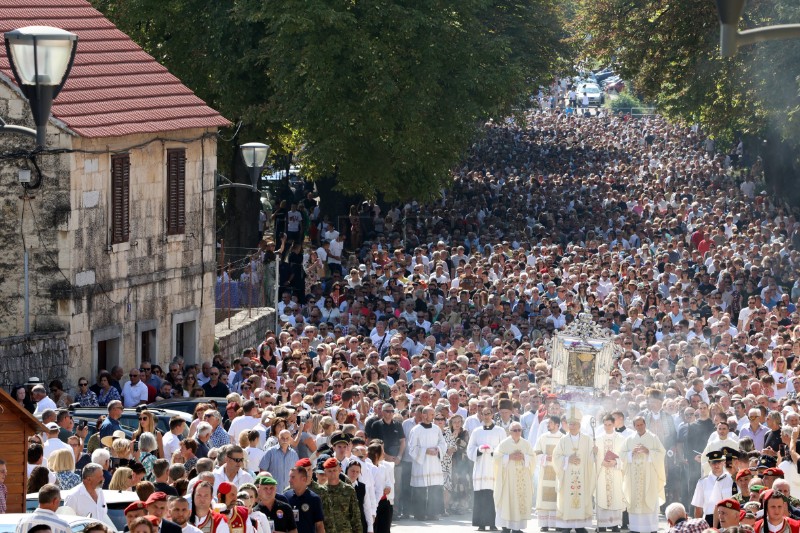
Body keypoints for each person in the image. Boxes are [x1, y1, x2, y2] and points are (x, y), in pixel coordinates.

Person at [552, 406, 595, 533]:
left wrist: (595, 453)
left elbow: (592, 459)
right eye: (570, 424)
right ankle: (567, 525)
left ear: (579, 425)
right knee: (567, 500)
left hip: (583, 476)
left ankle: (580, 525)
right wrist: (567, 460)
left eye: (575, 424)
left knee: (581, 499)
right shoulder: (563, 440)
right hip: (567, 477)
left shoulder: (587, 440)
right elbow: (556, 457)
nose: (572, 426)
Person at [622, 416, 667, 533]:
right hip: (634, 478)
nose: (640, 427)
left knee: (649, 500)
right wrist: (630, 453)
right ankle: (635, 528)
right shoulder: (629, 439)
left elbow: (662, 452)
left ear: (645, 425)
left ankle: (651, 528)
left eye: (641, 424)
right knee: (635, 502)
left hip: (649, 478)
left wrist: (649, 452)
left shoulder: (653, 438)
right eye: (637, 425)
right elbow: (621, 454)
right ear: (634, 426)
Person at [466, 407, 506, 530]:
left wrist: (493, 451)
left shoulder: (500, 431)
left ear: (492, 415)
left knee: (493, 496)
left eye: (488, 414)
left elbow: (504, 449)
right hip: (480, 468)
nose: (486, 416)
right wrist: (478, 450)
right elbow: (470, 449)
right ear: (481, 416)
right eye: (484, 414)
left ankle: (493, 524)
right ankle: (481, 524)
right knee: (480, 496)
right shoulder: (476, 431)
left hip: (494, 468)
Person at [493, 421, 536, 533]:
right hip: (508, 480)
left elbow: (533, 458)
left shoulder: (526, 444)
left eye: (519, 430)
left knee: (519, 500)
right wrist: (509, 457)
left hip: (522, 478)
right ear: (510, 432)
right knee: (508, 500)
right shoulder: (504, 444)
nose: (517, 432)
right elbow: (496, 457)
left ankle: (517, 527)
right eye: (515, 430)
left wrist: (524, 457)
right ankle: (506, 527)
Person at [407, 406, 447, 521]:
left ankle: (433, 513)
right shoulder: (416, 430)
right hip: (421, 464)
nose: (434, 417)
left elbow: (442, 443)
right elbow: (412, 448)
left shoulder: (436, 429)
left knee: (435, 487)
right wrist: (426, 451)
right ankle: (420, 514)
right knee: (421, 488)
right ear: (424, 415)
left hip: (434, 462)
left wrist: (438, 449)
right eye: (431, 415)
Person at [595, 414, 626, 532]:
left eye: (610, 424)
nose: (607, 427)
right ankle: (602, 524)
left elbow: (624, 457)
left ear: (614, 424)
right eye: (605, 425)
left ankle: (614, 524)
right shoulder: (597, 439)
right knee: (602, 496)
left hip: (616, 473)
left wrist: (615, 462)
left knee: (616, 496)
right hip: (602, 473)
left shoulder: (621, 439)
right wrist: (600, 461)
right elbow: (594, 457)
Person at [533, 415, 563, 531]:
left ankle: (557, 524)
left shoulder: (563, 438)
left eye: (550, 423)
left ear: (557, 425)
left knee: (558, 496)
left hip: (558, 472)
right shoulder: (543, 437)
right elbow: (536, 452)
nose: (547, 425)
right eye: (547, 423)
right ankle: (544, 524)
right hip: (545, 472)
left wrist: (556, 459)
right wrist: (545, 457)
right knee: (544, 497)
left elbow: (566, 455)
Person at [64, 463, 113, 529]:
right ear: (89, 479)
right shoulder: (73, 496)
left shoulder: (100, 492)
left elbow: (103, 516)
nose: (103, 478)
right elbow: (68, 523)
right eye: (100, 477)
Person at [318, 458, 362, 533]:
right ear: (325, 472)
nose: (332, 474)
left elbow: (355, 517)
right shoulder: (321, 491)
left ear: (339, 470)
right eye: (329, 471)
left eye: (334, 470)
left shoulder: (348, 490)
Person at [691, 450, 734, 525]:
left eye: (719, 462)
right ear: (709, 463)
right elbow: (698, 507)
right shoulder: (702, 482)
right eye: (714, 463)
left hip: (729, 517)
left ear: (724, 462)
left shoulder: (731, 479)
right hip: (710, 519)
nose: (716, 465)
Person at [283, 467, 324, 533]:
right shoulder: (285, 497)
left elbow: (319, 525)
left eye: (293, 477)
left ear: (304, 479)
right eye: (289, 477)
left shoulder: (314, 499)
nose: (289, 480)